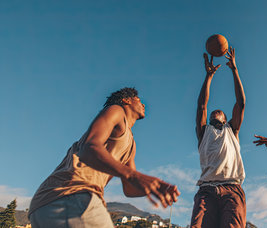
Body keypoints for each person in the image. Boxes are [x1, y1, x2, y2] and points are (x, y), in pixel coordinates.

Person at [28, 87, 180, 228]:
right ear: (126, 100)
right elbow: (88, 148)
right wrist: (134, 175)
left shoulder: (131, 144)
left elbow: (129, 188)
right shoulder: (116, 111)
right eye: (139, 100)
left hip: (50, 202)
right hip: (70, 194)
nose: (144, 104)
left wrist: (152, 187)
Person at [190, 47, 246, 228]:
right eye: (214, 112)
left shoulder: (232, 130)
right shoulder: (203, 132)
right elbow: (201, 106)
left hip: (232, 188)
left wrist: (234, 69)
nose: (217, 111)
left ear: (225, 118)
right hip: (206, 190)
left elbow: (241, 103)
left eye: (220, 112)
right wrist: (209, 77)